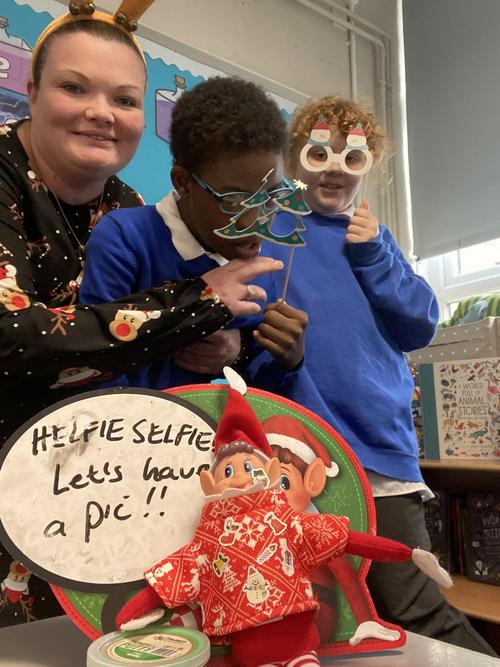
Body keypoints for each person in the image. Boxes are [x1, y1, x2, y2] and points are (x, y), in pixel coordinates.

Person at [0, 1, 282, 626]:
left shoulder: (127, 208)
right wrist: (197, 303)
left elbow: (169, 344)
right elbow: (10, 337)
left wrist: (230, 345)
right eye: (75, 87)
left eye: (125, 99)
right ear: (32, 90)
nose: (102, 112)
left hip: (99, 489)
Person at [261, 97, 497, 656]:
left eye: (352, 158)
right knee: (311, 609)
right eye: (319, 154)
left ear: (368, 166)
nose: (335, 169)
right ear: (295, 160)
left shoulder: (373, 239)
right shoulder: (271, 234)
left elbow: (419, 323)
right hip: (295, 448)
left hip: (378, 449)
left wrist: (373, 254)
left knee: (411, 604)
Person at [115, 368, 451, 667]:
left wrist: (406, 553)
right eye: (228, 470)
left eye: (248, 467)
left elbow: (347, 541)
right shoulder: (208, 540)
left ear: (271, 472)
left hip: (300, 636)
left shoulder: (289, 522)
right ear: (210, 482)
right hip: (248, 646)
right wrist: (130, 614)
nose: (239, 477)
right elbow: (181, 571)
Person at [79, 76, 308, 390]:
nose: (257, 222)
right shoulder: (126, 239)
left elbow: (260, 389)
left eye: (272, 197)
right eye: (235, 202)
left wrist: (286, 359)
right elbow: (97, 361)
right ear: (184, 182)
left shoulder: (259, 266)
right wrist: (188, 321)